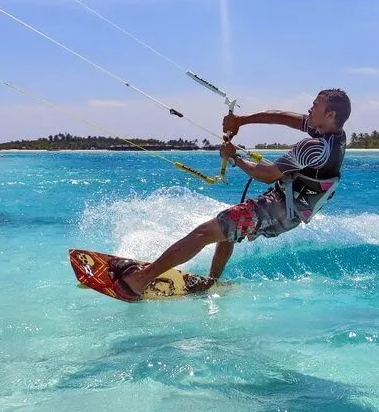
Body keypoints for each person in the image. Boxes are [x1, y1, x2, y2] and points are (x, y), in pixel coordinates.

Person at [110, 88, 351, 301]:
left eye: (316, 104)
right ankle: (212, 281)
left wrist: (234, 157)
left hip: (280, 210)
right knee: (228, 228)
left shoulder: (315, 147)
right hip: (287, 204)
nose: (309, 108)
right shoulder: (333, 134)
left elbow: (267, 174)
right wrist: (241, 120)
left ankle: (138, 282)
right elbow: (283, 117)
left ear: (329, 114)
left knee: (203, 233)